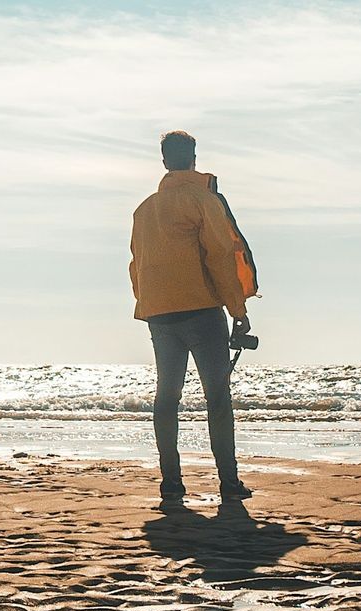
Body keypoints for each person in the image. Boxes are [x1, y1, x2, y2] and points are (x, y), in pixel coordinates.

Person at [129, 130, 259, 503]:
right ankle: (229, 484)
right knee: (217, 397)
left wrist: (150, 303)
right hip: (201, 311)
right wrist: (238, 309)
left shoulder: (144, 210)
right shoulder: (203, 200)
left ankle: (171, 482)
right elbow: (220, 257)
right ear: (193, 158)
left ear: (165, 161)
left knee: (167, 396)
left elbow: (137, 264)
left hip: (160, 314)